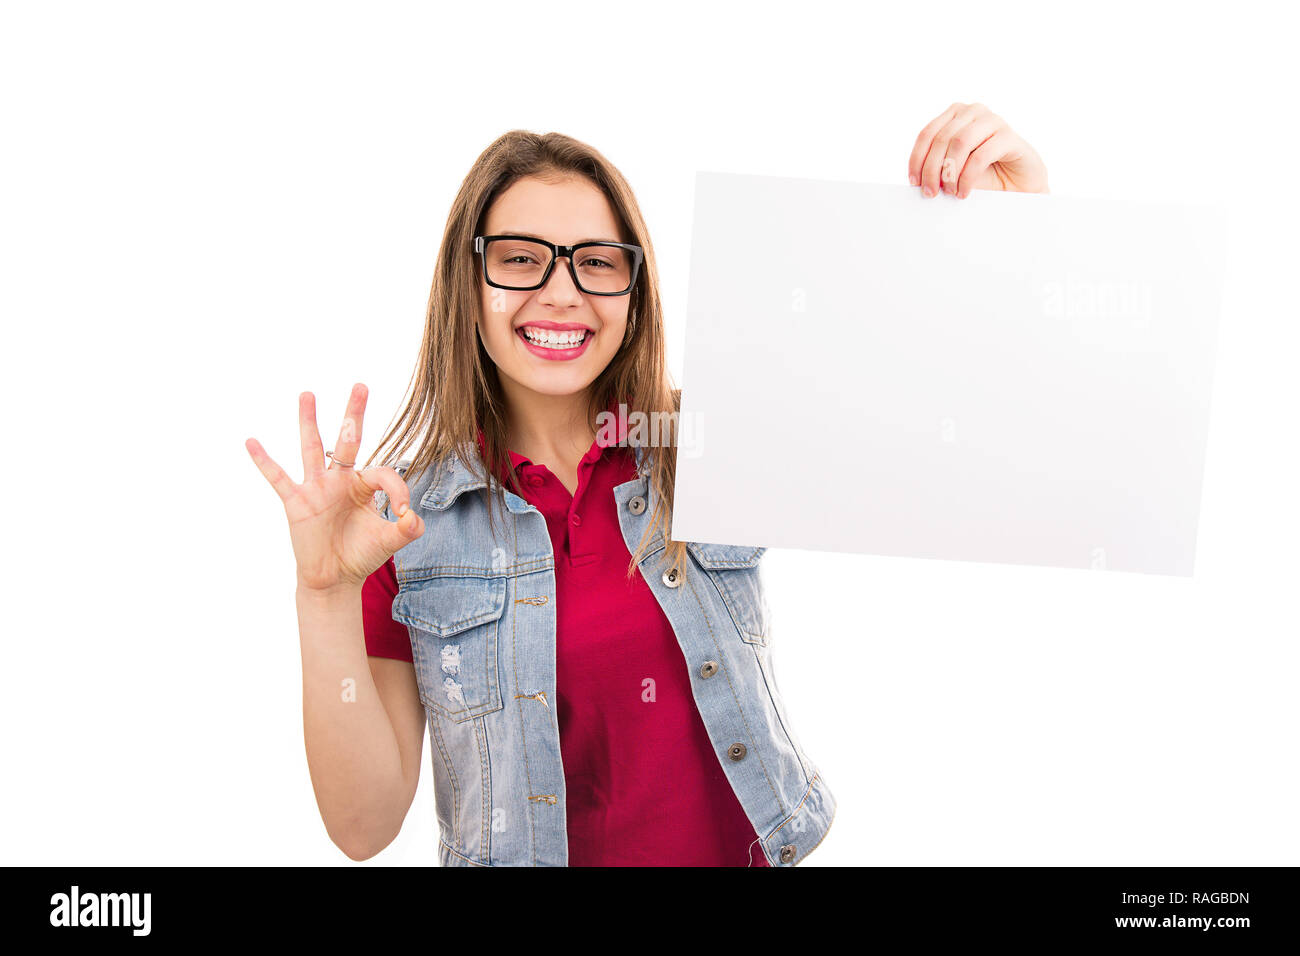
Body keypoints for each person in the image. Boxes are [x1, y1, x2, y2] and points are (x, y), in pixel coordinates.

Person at [245, 103, 1049, 866]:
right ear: (470, 282)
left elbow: (955, 442)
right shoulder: (402, 528)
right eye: (521, 258)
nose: (561, 292)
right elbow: (363, 825)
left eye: (596, 262)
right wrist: (322, 594)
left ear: (634, 291)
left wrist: (1018, 235)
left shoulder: (705, 449)